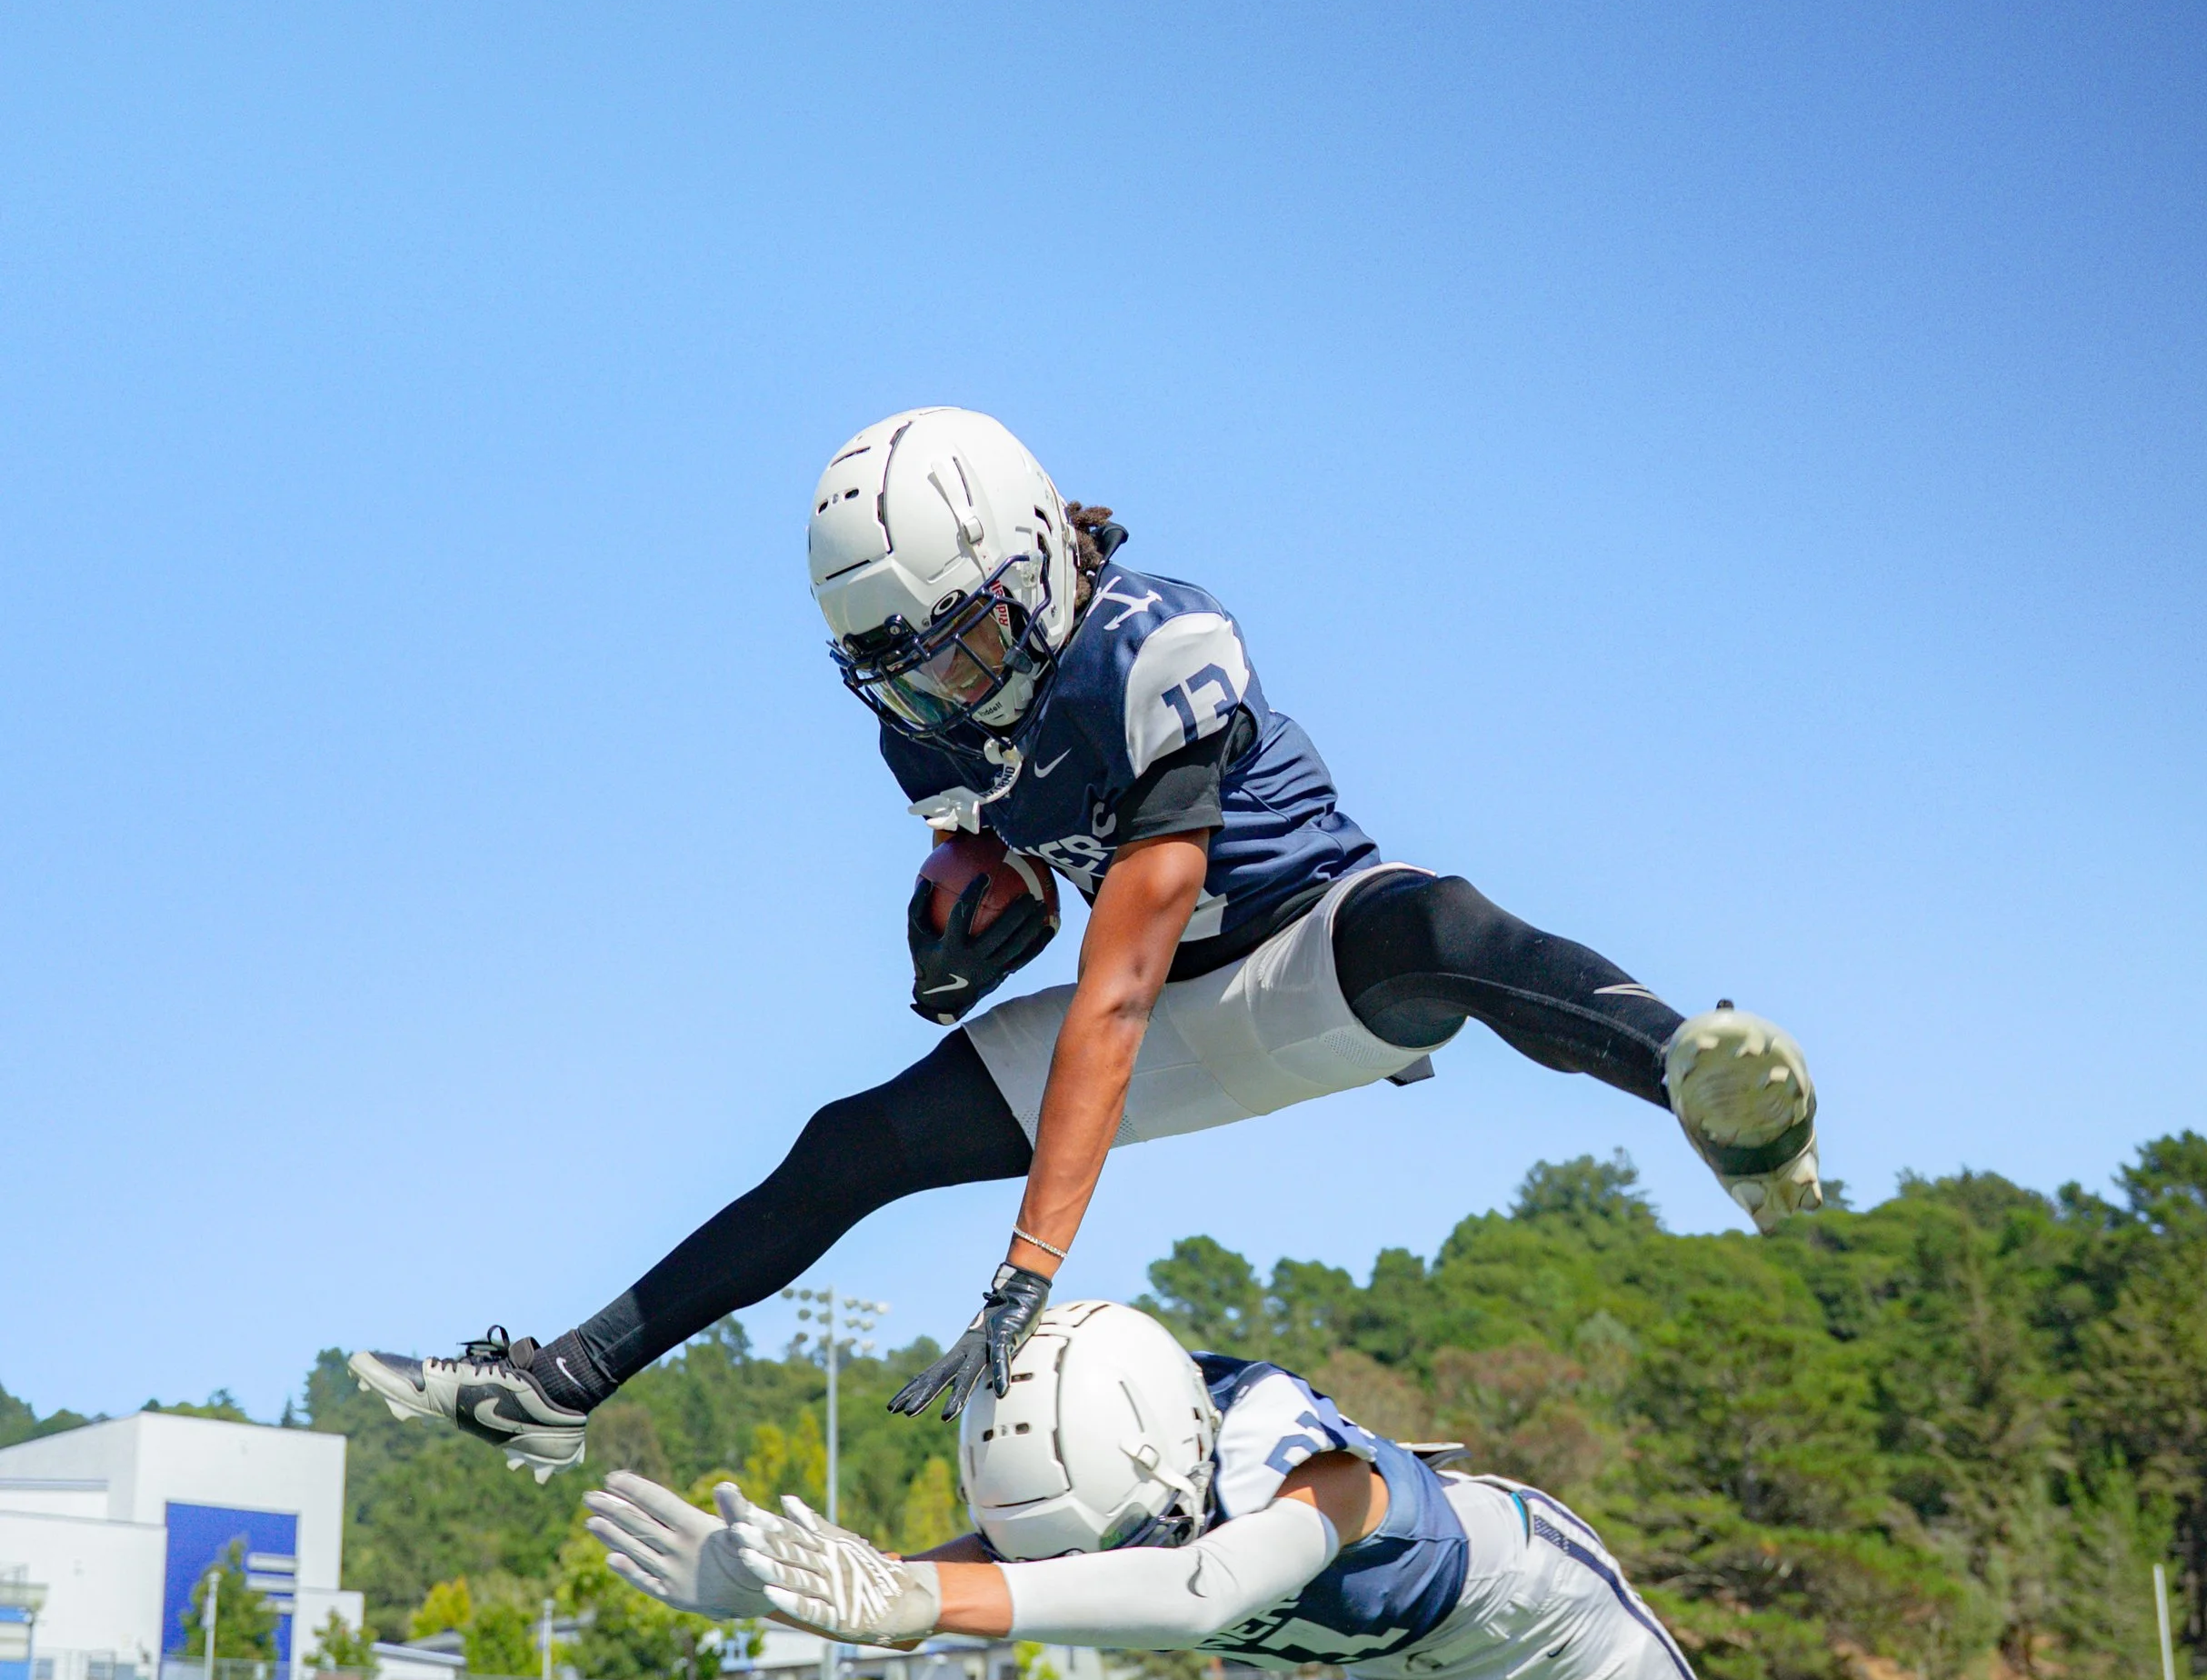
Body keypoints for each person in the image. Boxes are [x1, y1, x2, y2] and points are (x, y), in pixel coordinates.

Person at [350, 408, 1822, 1476]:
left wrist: (1027, 1267)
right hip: (1167, 1016)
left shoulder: (1155, 646)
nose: (948, 696)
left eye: (968, 646)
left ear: (1039, 560)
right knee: (848, 1141)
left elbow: (1114, 993)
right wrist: (967, 914)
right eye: (909, 672)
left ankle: (1703, 1083)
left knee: (1443, 924)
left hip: (1303, 960)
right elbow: (1018, 862)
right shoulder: (930, 711)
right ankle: (564, 1379)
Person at [584, 1299, 1892, 1680]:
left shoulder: (1290, 1452)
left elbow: (1199, 1588)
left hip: (1533, 1603)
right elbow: (923, 1592)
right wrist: (780, 1596)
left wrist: (917, 1592)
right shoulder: (1108, 1473)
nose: (1083, 1564)